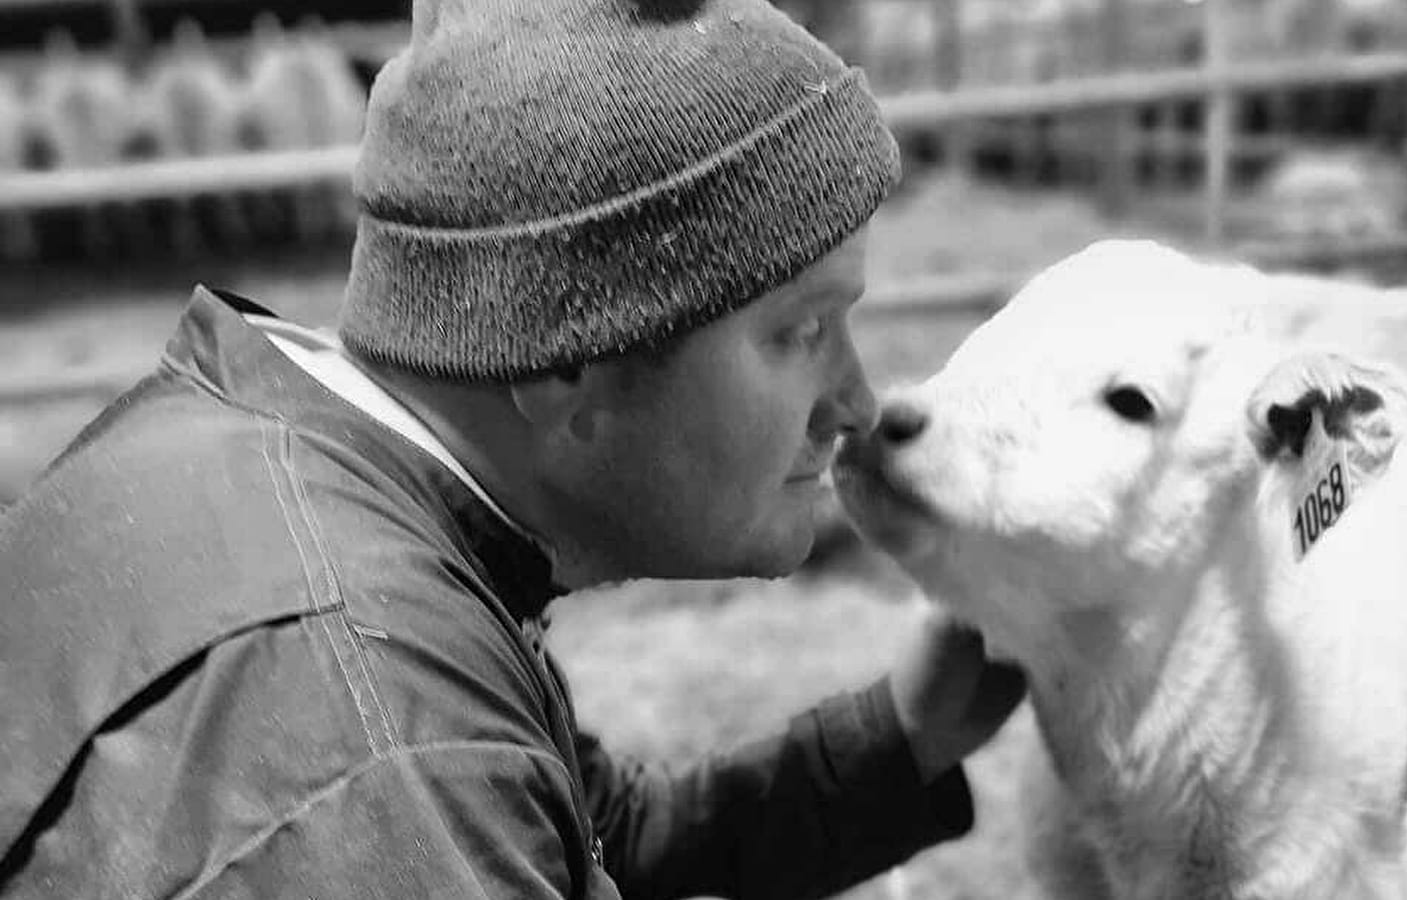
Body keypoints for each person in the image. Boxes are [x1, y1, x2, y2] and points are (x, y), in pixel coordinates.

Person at [0, 0, 1028, 897]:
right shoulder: (380, 757)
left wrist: (902, 735)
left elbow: (581, 833)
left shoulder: (312, 489)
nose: (856, 402)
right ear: (569, 357)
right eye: (800, 331)